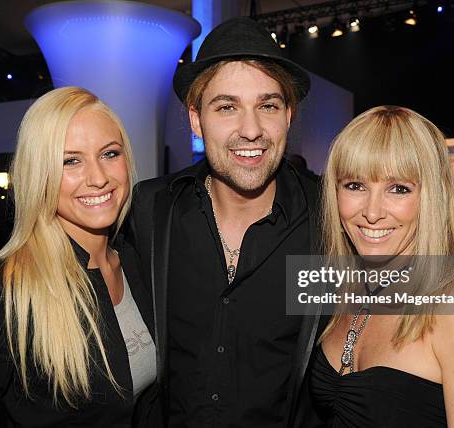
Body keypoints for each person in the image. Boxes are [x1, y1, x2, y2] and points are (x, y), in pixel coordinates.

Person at [126, 16, 324, 428]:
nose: (251, 130)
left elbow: (431, 292)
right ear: (197, 120)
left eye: (267, 106)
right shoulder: (151, 209)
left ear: (288, 115)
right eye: (227, 107)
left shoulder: (327, 218)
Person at [0, 87, 157, 427]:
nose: (98, 178)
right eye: (70, 161)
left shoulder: (138, 260)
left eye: (109, 154)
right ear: (39, 173)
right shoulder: (6, 290)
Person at [310, 106, 454, 426]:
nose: (372, 212)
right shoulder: (345, 283)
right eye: (355, 185)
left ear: (432, 198)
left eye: (398, 188)